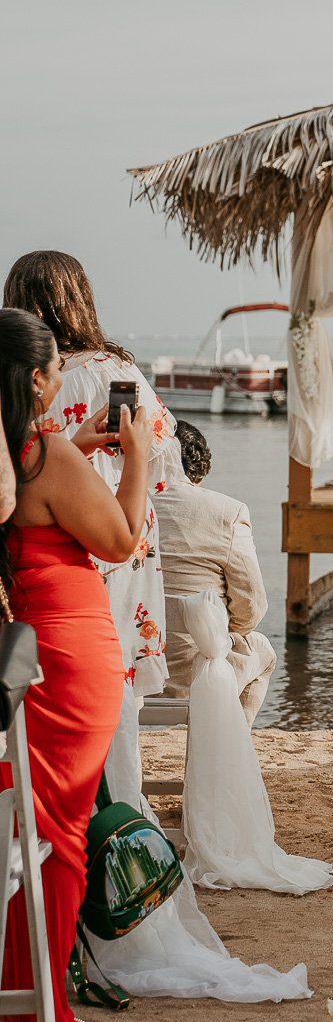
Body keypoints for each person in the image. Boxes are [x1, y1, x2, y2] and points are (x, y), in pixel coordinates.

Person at [0, 307, 152, 1022]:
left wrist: (78, 451)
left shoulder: (14, 452)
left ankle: (20, 997)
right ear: (33, 378)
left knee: (33, 822)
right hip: (74, 653)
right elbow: (122, 541)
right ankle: (38, 1016)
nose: (63, 378)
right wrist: (142, 457)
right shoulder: (47, 454)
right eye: (56, 367)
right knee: (60, 833)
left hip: (31, 649)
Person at [2, 252, 181, 718]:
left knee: (53, 686)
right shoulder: (109, 368)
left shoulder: (14, 391)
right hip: (113, 533)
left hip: (39, 549)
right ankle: (120, 789)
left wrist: (74, 446)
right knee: (115, 678)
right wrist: (134, 453)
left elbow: (24, 482)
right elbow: (166, 463)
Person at [156, 419, 276, 724]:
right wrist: (217, 633)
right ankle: (234, 745)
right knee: (263, 652)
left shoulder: (123, 510)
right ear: (202, 466)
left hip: (135, 674)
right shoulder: (229, 512)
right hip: (197, 678)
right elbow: (252, 607)